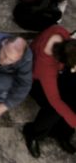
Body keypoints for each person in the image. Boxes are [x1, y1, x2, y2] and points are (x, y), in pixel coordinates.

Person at [22, 25, 76, 158]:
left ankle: (62, 133)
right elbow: (55, 100)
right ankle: (33, 133)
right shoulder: (46, 66)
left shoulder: (63, 36)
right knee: (54, 109)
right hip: (35, 81)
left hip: (58, 72)